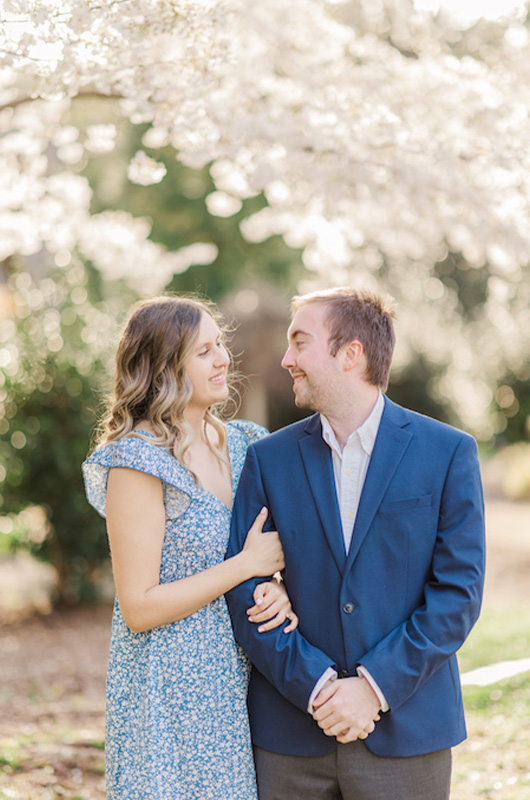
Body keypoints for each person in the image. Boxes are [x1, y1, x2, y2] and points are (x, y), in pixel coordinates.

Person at [226, 287, 486, 800]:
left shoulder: (448, 452)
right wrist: (317, 686)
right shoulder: (268, 459)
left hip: (408, 733)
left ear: (350, 354)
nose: (286, 360)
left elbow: (459, 593)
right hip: (290, 738)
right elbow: (243, 583)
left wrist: (373, 687)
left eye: (300, 343)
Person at [82, 295, 298, 800]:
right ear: (163, 367)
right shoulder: (138, 462)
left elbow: (277, 552)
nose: (224, 358)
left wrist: (280, 587)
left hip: (242, 679)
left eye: (219, 344)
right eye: (204, 351)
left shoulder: (246, 444)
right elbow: (138, 606)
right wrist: (244, 565)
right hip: (168, 692)